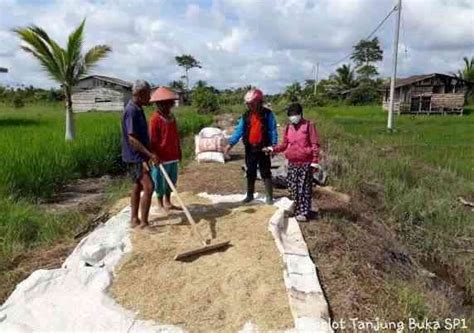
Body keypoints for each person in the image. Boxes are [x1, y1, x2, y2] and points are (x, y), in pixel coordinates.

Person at [263, 103, 320, 222]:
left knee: (303, 188)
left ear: (300, 114)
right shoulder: (288, 128)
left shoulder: (309, 125)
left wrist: (314, 161)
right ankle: (297, 208)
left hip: (305, 162)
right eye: (290, 115)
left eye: (295, 114)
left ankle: (303, 213)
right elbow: (284, 145)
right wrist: (272, 149)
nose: (293, 117)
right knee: (293, 187)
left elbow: (315, 144)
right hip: (292, 162)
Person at [225, 88, 278, 204]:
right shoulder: (246, 116)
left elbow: (272, 130)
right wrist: (230, 144)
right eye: (248, 104)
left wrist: (273, 146)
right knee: (250, 172)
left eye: (252, 104)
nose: (250, 106)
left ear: (259, 102)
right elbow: (239, 130)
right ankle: (249, 195)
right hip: (250, 148)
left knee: (265, 172)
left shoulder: (267, 114)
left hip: (264, 148)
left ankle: (269, 197)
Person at [121, 80, 156, 229]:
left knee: (137, 186)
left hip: (138, 155)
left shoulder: (138, 108)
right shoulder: (132, 111)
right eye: (148, 94)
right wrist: (149, 154)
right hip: (136, 157)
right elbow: (132, 138)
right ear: (140, 94)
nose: (150, 97)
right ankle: (144, 223)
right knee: (149, 187)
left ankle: (134, 219)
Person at [148, 87, 182, 214]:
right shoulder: (155, 119)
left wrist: (179, 151)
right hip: (160, 158)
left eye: (171, 103)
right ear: (160, 104)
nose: (170, 106)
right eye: (168, 103)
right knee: (160, 181)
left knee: (172, 180)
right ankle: (160, 203)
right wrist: (154, 155)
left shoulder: (171, 117)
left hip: (172, 155)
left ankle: (168, 202)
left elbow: (175, 135)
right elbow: (152, 140)